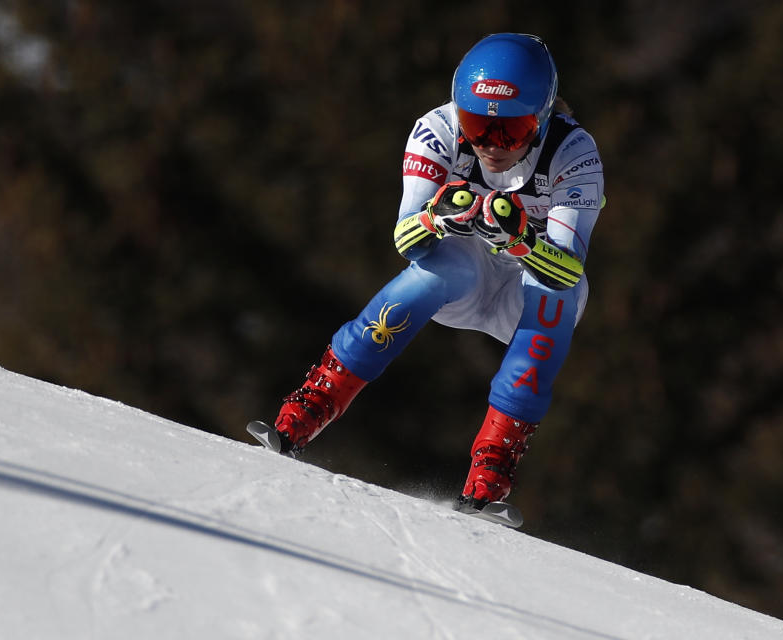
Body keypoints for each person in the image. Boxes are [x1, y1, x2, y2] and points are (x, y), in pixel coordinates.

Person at [255, 33, 604, 515]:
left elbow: (566, 270)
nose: (492, 146)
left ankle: (493, 466)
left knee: (554, 295)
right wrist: (437, 218)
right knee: (440, 268)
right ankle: (313, 403)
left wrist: (522, 240)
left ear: (543, 120)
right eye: (478, 127)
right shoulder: (438, 129)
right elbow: (405, 240)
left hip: (523, 295)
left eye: (512, 130)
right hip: (466, 275)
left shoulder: (575, 152)